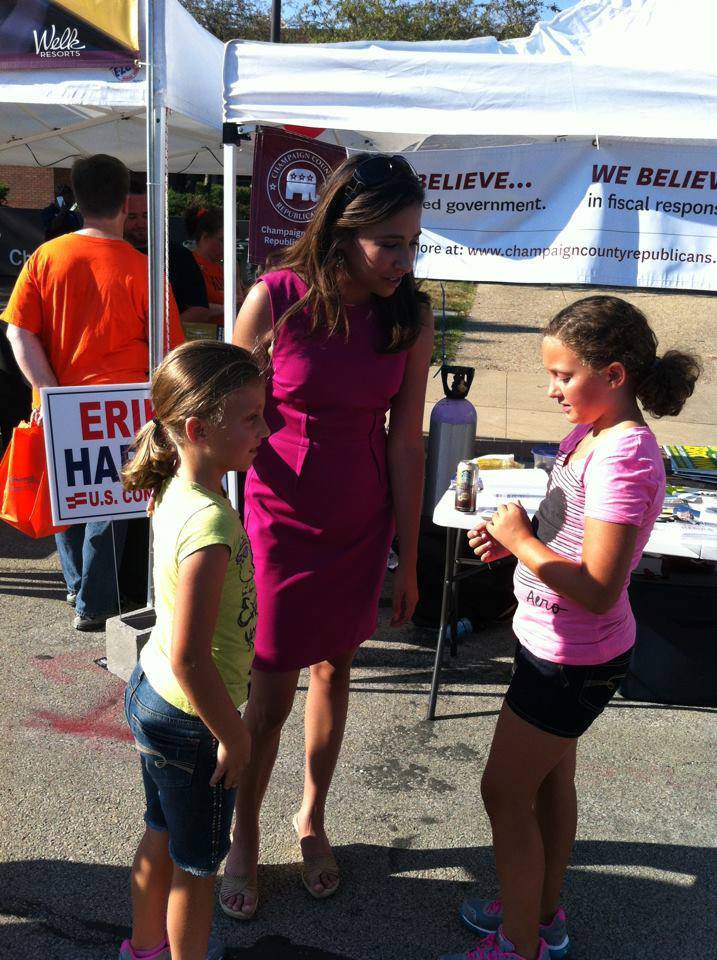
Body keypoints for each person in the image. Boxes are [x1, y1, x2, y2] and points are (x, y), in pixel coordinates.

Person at [440, 296, 701, 960]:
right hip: (547, 644)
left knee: (501, 794)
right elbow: (572, 535)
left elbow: (598, 585)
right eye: (549, 375)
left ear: (613, 375)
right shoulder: (591, 432)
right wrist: (518, 542)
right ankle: (540, 913)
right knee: (548, 782)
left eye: (563, 375)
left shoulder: (625, 456)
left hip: (571, 658)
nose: (551, 389)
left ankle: (517, 944)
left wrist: (523, 542)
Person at [220, 153, 433, 919]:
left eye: (413, 242)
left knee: (336, 674)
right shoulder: (275, 298)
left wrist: (409, 555)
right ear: (343, 229)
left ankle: (311, 817)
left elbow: (406, 442)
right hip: (279, 521)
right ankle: (241, 834)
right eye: (390, 243)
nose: (403, 261)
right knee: (268, 694)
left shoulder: (409, 314)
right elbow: (215, 416)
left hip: (361, 515)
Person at [120, 339, 269, 960]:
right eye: (252, 417)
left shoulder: (178, 490)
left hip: (153, 696)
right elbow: (190, 657)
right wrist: (233, 736)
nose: (266, 428)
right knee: (199, 867)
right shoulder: (210, 526)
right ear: (197, 428)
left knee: (161, 833)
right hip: (192, 718)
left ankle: (145, 948)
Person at [3, 154, 184, 630]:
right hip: (127, 409)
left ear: (76, 199)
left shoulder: (47, 257)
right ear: (126, 203)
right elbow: (169, 352)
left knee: (71, 499)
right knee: (111, 502)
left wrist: (48, 392)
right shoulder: (147, 271)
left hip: (61, 404)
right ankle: (92, 598)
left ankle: (80, 588)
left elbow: (19, 333)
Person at [124, 179, 213, 331]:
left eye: (146, 215)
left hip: (164, 347)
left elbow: (200, 309)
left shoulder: (178, 255)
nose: (141, 223)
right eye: (132, 217)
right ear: (120, 215)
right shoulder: (109, 253)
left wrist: (158, 333)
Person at [185, 205, 245, 327]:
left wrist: (236, 276)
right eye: (222, 240)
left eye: (232, 242)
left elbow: (239, 306)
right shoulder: (189, 263)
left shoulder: (225, 267)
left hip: (223, 338)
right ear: (205, 237)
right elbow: (189, 308)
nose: (228, 247)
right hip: (199, 339)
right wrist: (226, 308)